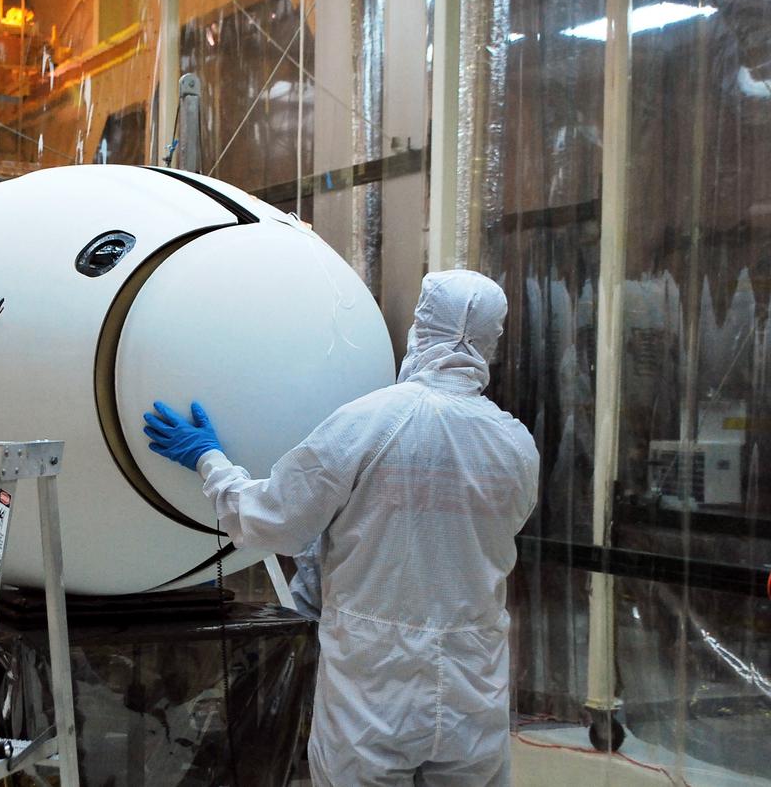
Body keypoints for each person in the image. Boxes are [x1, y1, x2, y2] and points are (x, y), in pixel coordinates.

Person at [143, 269, 540, 786]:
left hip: (374, 687)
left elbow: (272, 521)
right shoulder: (515, 444)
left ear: (420, 329)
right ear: (491, 341)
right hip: (474, 687)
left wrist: (209, 460)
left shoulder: (368, 422)